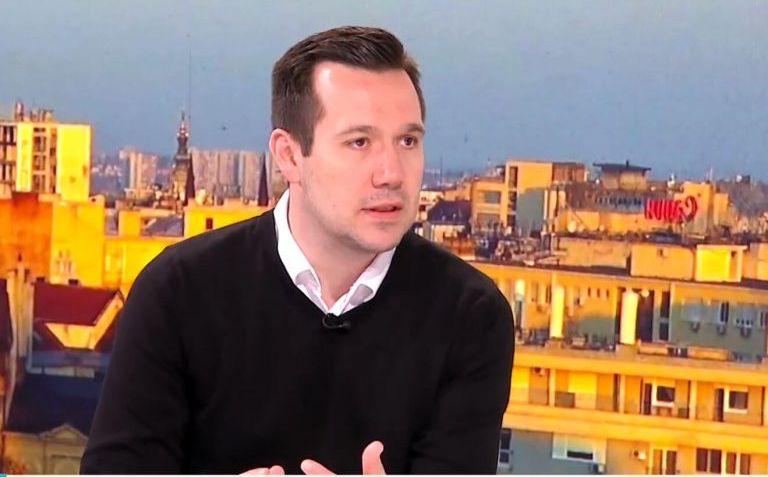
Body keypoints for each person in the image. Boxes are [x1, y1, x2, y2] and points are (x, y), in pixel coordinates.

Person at [81, 25, 514, 475]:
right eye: (359, 142)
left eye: (408, 141)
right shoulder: (177, 292)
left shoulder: (471, 316)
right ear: (289, 156)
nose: (391, 173)